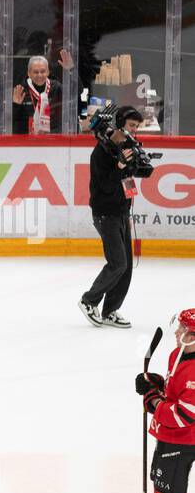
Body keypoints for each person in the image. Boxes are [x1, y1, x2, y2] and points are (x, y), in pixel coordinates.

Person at [79, 105, 153, 328]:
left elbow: (130, 177)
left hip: (121, 212)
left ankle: (110, 310)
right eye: (132, 125)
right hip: (105, 213)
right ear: (119, 122)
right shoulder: (100, 153)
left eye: (137, 126)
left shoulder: (126, 146)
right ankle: (89, 300)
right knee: (117, 263)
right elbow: (107, 186)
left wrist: (135, 165)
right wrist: (120, 165)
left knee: (126, 265)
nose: (135, 130)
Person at [137, 309, 195, 493]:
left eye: (182, 329)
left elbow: (184, 416)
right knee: (162, 489)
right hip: (168, 437)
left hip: (182, 440)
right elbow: (174, 390)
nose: (176, 332)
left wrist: (154, 402)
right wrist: (157, 386)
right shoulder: (178, 355)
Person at [12, 51, 73, 135]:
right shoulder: (21, 90)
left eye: (43, 71)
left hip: (53, 138)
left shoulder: (56, 87)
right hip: (28, 140)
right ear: (29, 73)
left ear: (48, 72)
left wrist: (71, 71)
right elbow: (12, 122)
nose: (39, 75)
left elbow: (76, 95)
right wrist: (16, 105)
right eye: (36, 72)